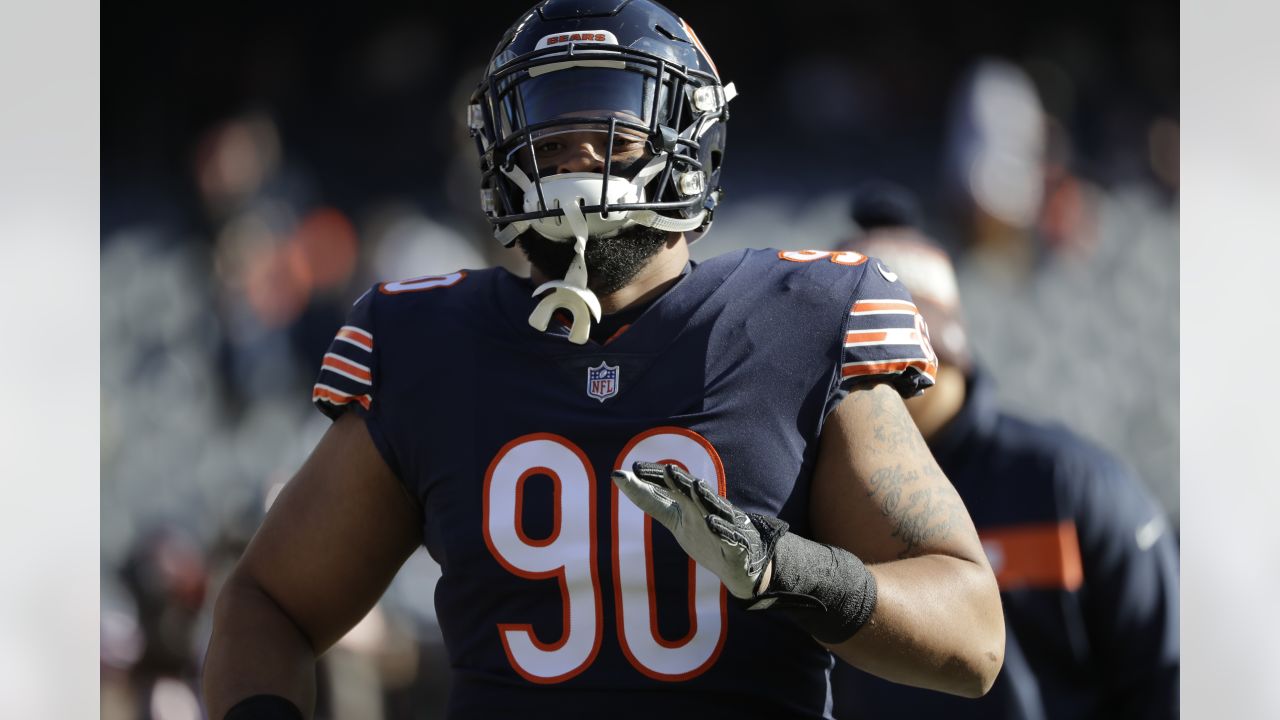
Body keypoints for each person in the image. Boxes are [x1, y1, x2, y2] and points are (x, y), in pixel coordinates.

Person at [201, 2, 1005, 718]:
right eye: (549, 123)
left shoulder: (800, 323)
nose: (575, 149)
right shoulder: (427, 344)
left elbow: (972, 634)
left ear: (694, 138)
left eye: (612, 117)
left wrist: (785, 572)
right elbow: (269, 602)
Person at [829, 182, 1179, 719]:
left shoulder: (1065, 485)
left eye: (879, 359)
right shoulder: (819, 492)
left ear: (937, 351)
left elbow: (1168, 677)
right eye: (845, 366)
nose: (857, 388)